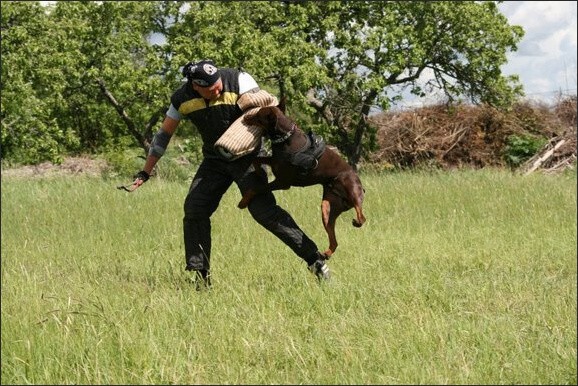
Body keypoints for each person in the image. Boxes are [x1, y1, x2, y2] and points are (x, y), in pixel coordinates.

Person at [130, 59, 330, 289]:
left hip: (248, 158)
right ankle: (201, 279)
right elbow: (163, 135)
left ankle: (316, 260)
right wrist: (146, 172)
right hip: (214, 160)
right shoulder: (182, 99)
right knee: (195, 208)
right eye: (212, 87)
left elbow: (271, 115)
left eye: (218, 82)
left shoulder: (238, 80)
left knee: (264, 212)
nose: (218, 88)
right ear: (196, 86)